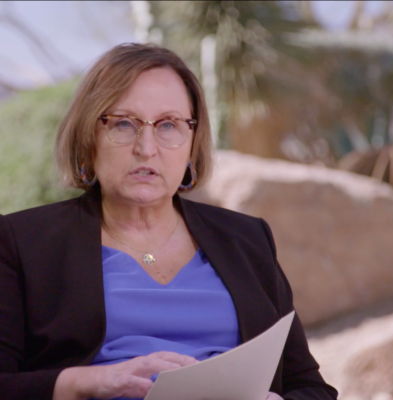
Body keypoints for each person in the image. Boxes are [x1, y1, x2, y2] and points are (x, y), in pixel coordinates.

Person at [0, 43, 338, 400]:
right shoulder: (22, 242)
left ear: (192, 144)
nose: (146, 147)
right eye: (124, 123)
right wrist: (91, 381)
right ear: (89, 137)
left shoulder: (247, 238)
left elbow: (312, 389)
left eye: (168, 125)